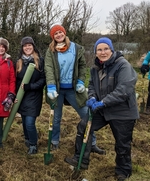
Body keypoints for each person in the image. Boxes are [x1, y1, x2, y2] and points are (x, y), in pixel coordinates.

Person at [64, 37, 139, 181]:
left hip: (123, 111)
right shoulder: (95, 68)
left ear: (111, 50)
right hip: (103, 109)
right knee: (84, 125)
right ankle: (81, 159)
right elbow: (91, 86)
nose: (103, 52)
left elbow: (124, 90)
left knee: (122, 143)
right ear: (95, 52)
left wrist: (103, 102)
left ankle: (123, 171)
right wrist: (91, 97)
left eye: (106, 49)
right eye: (99, 49)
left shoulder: (123, 65)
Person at [44, 24, 104, 154]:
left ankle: (92, 142)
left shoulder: (76, 48)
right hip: (57, 90)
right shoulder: (51, 51)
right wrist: (51, 86)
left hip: (73, 89)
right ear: (53, 37)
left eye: (60, 32)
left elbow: (82, 66)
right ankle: (54, 142)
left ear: (64, 33)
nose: (59, 35)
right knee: (56, 117)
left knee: (86, 114)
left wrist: (81, 81)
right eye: (56, 34)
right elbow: (48, 68)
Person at [15, 36, 46, 155]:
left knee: (29, 122)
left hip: (34, 97)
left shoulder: (39, 61)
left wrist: (30, 86)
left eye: (29, 45)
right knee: (24, 120)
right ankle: (27, 139)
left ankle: (33, 144)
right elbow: (16, 80)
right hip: (22, 97)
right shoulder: (19, 62)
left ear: (33, 46)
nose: (27, 47)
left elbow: (43, 80)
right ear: (22, 48)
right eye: (25, 45)